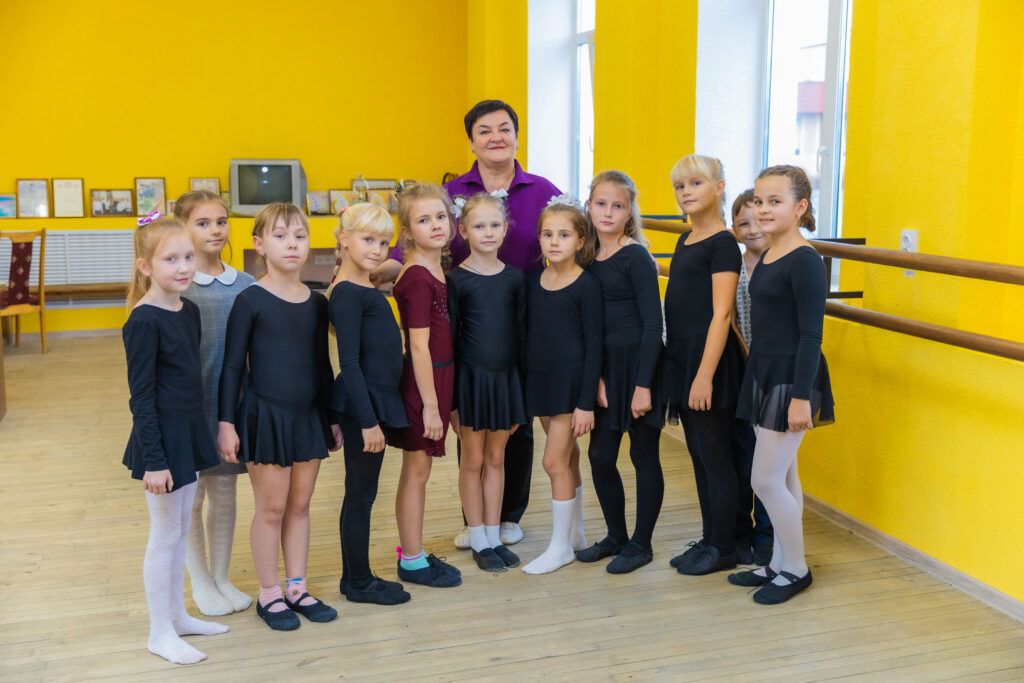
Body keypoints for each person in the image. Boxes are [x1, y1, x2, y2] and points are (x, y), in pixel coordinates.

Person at [375, 100, 560, 546]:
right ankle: (474, 521)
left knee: (516, 425)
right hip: (467, 323)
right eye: (484, 131)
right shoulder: (451, 193)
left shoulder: (543, 190)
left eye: (504, 129)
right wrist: (373, 270)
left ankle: (508, 514)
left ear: (517, 136)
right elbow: (414, 242)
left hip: (523, 318)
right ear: (471, 141)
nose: (496, 137)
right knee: (472, 425)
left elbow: (574, 232)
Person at [218, 204, 341, 630]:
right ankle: (268, 593)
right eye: (281, 235)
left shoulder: (317, 303)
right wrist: (226, 423)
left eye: (300, 236)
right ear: (259, 245)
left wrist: (332, 416)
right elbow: (232, 366)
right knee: (272, 508)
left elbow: (322, 364)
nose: (292, 244)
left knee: (300, 506)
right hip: (265, 416)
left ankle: (297, 588)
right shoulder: (249, 300)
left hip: (308, 416)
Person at [122, 213, 227, 664]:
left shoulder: (188, 311)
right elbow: (141, 397)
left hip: (187, 433)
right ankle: (159, 632)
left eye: (188, 257)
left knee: (181, 528)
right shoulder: (143, 322)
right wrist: (154, 460)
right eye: (171, 259)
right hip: (161, 444)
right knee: (164, 536)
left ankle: (178, 616)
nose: (184, 267)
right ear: (145, 266)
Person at [730, 165, 835, 604]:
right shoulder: (769, 253)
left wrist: (799, 398)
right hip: (765, 372)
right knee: (786, 475)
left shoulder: (805, 261)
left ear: (800, 206)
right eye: (759, 201)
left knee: (765, 480)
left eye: (775, 201)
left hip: (792, 380)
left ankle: (796, 569)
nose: (763, 209)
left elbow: (811, 335)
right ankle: (780, 560)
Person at [576, 171, 666, 574]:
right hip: (604, 368)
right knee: (600, 455)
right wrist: (595, 377)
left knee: (643, 454)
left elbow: (652, 325)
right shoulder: (585, 258)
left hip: (640, 365)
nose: (608, 212)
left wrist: (644, 385)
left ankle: (641, 543)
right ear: (589, 206)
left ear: (629, 212)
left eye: (618, 205)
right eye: (601, 203)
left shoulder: (637, 257)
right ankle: (616, 535)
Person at [172, 191, 256, 617]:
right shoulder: (177, 284)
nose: (215, 230)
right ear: (183, 227)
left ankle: (221, 576)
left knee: (224, 491)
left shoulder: (246, 284)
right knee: (192, 496)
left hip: (229, 408)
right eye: (203, 223)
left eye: (221, 221)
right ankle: (201, 581)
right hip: (189, 405)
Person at [662, 155, 746, 576]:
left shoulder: (723, 243)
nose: (686, 192)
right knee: (697, 453)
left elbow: (722, 314)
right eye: (680, 186)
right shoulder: (685, 241)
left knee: (715, 455)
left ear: (719, 187)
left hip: (709, 361)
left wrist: (704, 375)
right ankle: (710, 537)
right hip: (683, 356)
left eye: (695, 183)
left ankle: (725, 546)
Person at [329, 203, 412, 606]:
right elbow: (349, 362)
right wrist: (368, 422)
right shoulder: (347, 294)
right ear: (344, 239)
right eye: (368, 240)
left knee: (361, 493)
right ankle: (359, 581)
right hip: (365, 406)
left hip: (374, 400)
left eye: (383, 242)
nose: (377, 249)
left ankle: (355, 578)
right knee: (361, 496)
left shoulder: (364, 286)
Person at [521, 198, 603, 575]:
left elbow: (594, 346)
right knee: (568, 459)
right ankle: (577, 534)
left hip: (571, 388)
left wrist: (586, 402)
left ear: (580, 240)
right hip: (541, 383)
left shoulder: (586, 285)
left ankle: (559, 548)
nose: (554, 242)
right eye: (547, 234)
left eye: (564, 235)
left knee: (552, 461)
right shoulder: (533, 281)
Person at [447, 193, 527, 572]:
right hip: (470, 383)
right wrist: (451, 402)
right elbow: (450, 341)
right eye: (479, 226)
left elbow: (522, 336)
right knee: (472, 460)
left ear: (505, 229)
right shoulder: (456, 280)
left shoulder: (515, 278)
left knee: (497, 458)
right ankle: (477, 535)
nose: (488, 232)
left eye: (495, 225)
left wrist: (520, 394)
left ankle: (494, 534)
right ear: (463, 231)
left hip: (505, 381)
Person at [389, 182, 462, 588]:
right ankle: (412, 560)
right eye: (423, 220)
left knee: (421, 470)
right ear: (407, 231)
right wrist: (431, 406)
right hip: (424, 382)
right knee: (416, 470)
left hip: (440, 375)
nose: (435, 225)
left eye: (440, 216)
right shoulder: (418, 276)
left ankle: (413, 550)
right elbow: (417, 346)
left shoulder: (434, 266)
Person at [731, 188, 774, 566]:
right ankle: (741, 530)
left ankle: (768, 534)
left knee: (771, 462)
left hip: (775, 374)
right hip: (745, 372)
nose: (752, 229)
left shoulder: (783, 261)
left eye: (759, 220)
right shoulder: (737, 267)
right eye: (743, 223)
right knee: (745, 455)